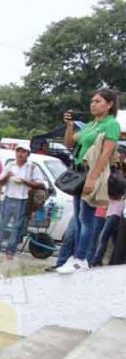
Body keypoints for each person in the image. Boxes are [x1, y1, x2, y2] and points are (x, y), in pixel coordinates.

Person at [57, 89, 122, 274]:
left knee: (86, 218)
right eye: (92, 100)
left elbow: (106, 153)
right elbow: (70, 143)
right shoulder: (91, 124)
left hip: (93, 173)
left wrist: (93, 178)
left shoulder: (111, 125)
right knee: (78, 218)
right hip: (79, 173)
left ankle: (81, 257)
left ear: (109, 104)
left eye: (98, 101)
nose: (93, 104)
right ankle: (77, 255)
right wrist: (69, 126)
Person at [0, 143, 45, 259]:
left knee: (17, 228)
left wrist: (25, 181)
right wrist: (7, 176)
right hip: (8, 198)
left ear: (27, 154)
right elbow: (0, 181)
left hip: (23, 200)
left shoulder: (32, 167)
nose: (20, 154)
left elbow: (40, 184)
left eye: (23, 152)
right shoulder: (10, 165)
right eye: (18, 151)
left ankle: (10, 251)